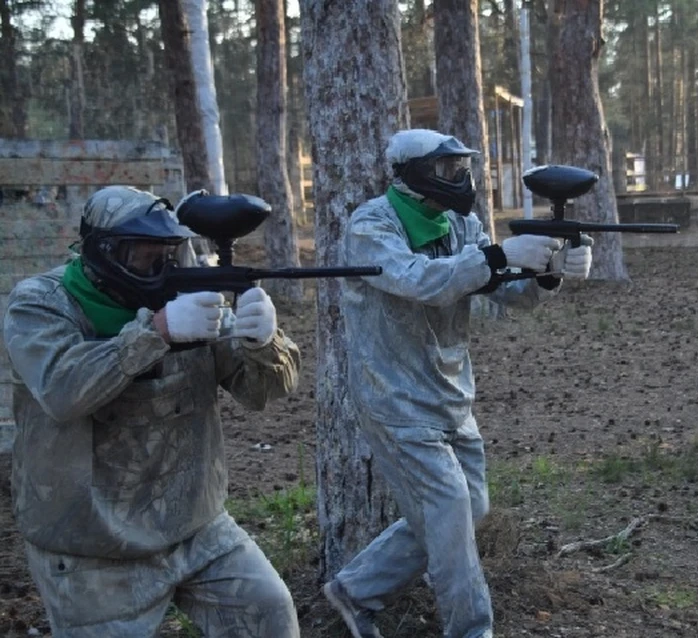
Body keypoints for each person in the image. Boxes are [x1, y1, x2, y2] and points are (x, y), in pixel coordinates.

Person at [322, 129, 593, 638]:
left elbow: (504, 295)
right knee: (447, 510)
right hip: (394, 398)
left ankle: (355, 590)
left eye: (461, 168)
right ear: (411, 172)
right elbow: (420, 281)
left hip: (450, 394)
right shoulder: (371, 224)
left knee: (468, 508)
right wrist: (497, 256)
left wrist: (547, 271)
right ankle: (472, 630)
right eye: (446, 170)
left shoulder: (461, 223)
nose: (458, 179)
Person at [2, 186, 302, 637]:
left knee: (269, 612)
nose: (157, 266)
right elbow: (63, 391)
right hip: (91, 547)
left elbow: (261, 392)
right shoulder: (41, 304)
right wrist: (155, 333)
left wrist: (263, 342)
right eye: (141, 255)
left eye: (165, 253)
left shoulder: (187, 293)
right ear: (102, 253)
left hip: (196, 527)